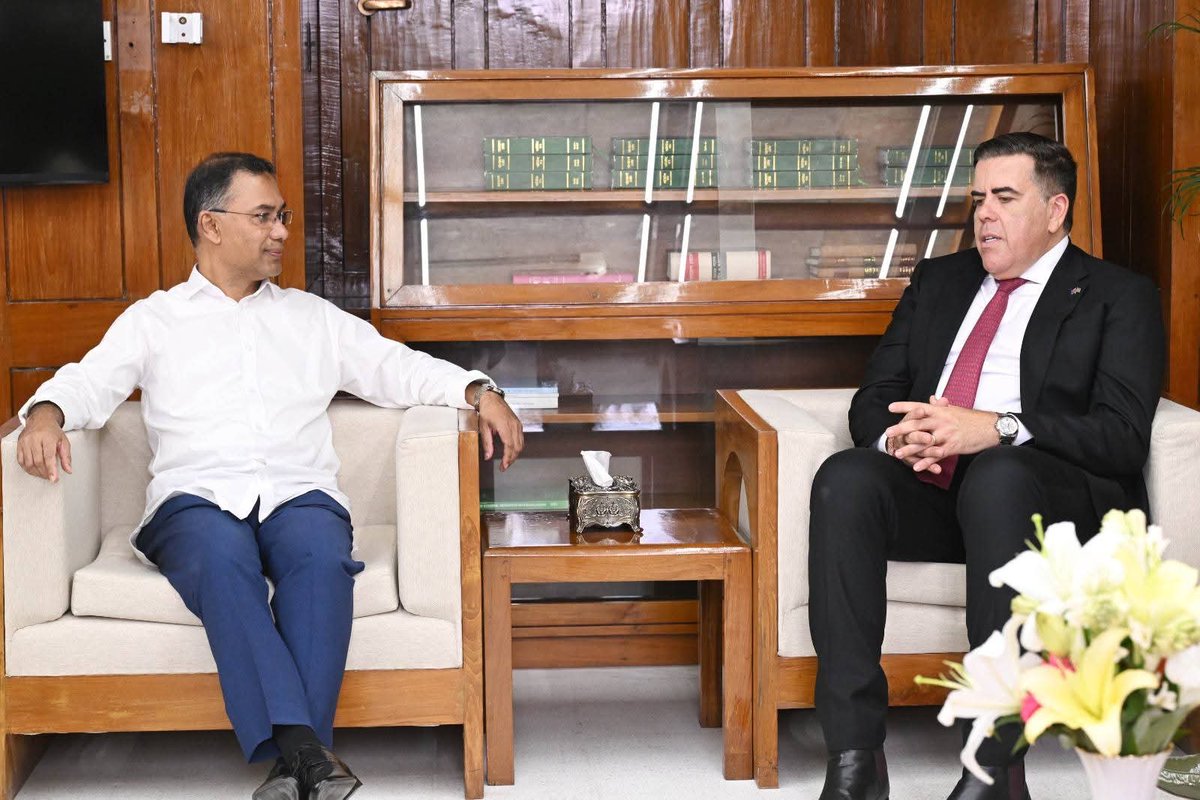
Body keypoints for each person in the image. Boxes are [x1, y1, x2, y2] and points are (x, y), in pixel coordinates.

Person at [15, 152, 525, 800]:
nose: (281, 231)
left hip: (297, 493)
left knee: (320, 559)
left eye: (282, 216)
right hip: (193, 501)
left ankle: (295, 765)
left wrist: (479, 390)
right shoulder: (154, 321)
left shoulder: (311, 319)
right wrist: (47, 414)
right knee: (220, 558)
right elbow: (89, 381)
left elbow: (400, 368)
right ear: (211, 225)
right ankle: (308, 751)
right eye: (263, 216)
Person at [808, 132, 1165, 800]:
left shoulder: (1118, 295)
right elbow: (874, 397)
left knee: (1000, 473)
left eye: (1005, 198)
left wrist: (996, 428)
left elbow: (1121, 436)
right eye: (978, 200)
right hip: (939, 490)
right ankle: (855, 757)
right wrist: (903, 438)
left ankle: (994, 765)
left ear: (1055, 210)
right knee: (846, 478)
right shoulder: (939, 281)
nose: (985, 216)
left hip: (1044, 506)